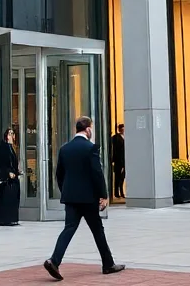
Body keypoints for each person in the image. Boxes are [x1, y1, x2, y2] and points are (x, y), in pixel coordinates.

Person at [43, 116, 125, 281]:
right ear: (88, 129)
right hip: (88, 198)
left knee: (69, 228)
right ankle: (108, 264)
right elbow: (97, 173)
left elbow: (59, 174)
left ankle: (54, 260)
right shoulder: (90, 148)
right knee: (97, 230)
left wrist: (66, 190)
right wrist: (103, 195)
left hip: (71, 197)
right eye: (91, 128)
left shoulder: (65, 149)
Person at [0, 128, 21, 227]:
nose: (11, 136)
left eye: (12, 133)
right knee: (6, 198)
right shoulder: (3, 147)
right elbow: (1, 162)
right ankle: (3, 219)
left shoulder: (11, 147)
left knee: (13, 198)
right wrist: (8, 172)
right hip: (7, 178)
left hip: (13, 177)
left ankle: (12, 218)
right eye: (9, 133)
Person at [110, 124, 125, 199]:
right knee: (117, 177)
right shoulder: (115, 138)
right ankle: (116, 192)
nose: (123, 130)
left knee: (122, 178)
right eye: (121, 129)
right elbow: (115, 150)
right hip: (118, 160)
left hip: (124, 160)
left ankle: (122, 192)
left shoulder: (127, 136)